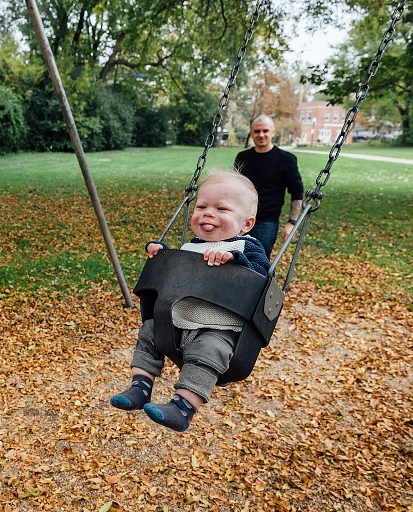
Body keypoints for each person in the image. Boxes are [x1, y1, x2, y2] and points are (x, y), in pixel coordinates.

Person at [110, 169, 270, 433]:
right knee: (149, 331)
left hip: (219, 328)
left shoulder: (246, 247)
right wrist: (161, 254)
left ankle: (183, 408)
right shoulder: (190, 246)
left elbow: (262, 273)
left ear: (246, 224)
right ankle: (140, 387)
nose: (208, 213)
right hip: (178, 321)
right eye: (202, 206)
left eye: (221, 208)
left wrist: (236, 261)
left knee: (209, 350)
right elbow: (176, 273)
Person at [234, 115, 304, 257]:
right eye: (257, 131)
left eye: (265, 131)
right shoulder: (242, 157)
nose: (261, 135)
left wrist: (292, 222)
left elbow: (297, 191)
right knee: (234, 259)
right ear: (251, 133)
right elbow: (234, 187)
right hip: (241, 217)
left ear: (273, 132)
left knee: (259, 261)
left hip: (267, 222)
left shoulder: (287, 159)